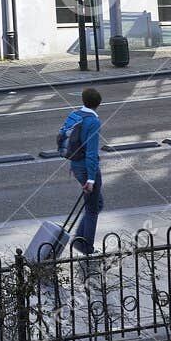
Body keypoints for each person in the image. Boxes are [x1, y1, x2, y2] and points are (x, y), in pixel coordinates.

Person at [59, 86, 103, 253]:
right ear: (99, 103)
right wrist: (91, 179)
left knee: (96, 203)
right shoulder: (93, 122)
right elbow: (91, 152)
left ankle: (79, 239)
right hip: (87, 169)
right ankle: (86, 247)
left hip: (75, 166)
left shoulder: (74, 115)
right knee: (93, 209)